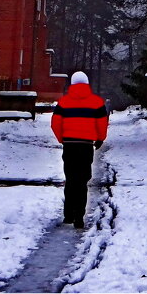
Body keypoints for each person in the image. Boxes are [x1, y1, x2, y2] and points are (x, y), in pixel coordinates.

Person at [51, 71, 109, 229]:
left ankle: (68, 215)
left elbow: (55, 123)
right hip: (85, 146)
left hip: (69, 145)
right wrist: (100, 139)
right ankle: (79, 217)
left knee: (70, 180)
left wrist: (62, 139)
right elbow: (102, 123)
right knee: (82, 181)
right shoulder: (97, 102)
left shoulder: (63, 102)